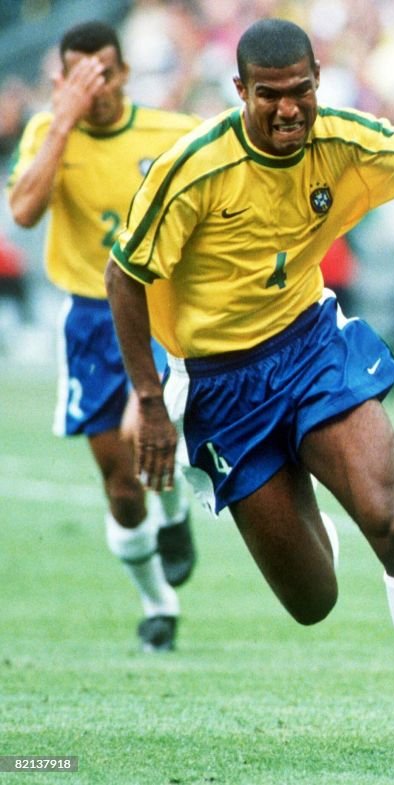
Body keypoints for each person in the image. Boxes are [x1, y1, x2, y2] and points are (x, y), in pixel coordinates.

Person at [104, 18, 394, 752]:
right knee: (314, 600)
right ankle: (307, 501)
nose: (289, 111)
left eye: (302, 93)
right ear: (241, 92)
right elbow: (123, 277)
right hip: (219, 384)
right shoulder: (194, 168)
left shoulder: (341, 137)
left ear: (319, 80)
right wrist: (152, 404)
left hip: (312, 345)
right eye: (270, 96)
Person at [6, 21, 198, 653]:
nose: (101, 88)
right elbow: (25, 212)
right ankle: (157, 604)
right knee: (119, 485)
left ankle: (173, 516)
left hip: (158, 313)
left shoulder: (169, 132)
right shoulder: (46, 133)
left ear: (125, 73)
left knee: (136, 432)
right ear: (62, 82)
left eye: (108, 73)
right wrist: (61, 122)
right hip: (90, 320)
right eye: (84, 77)